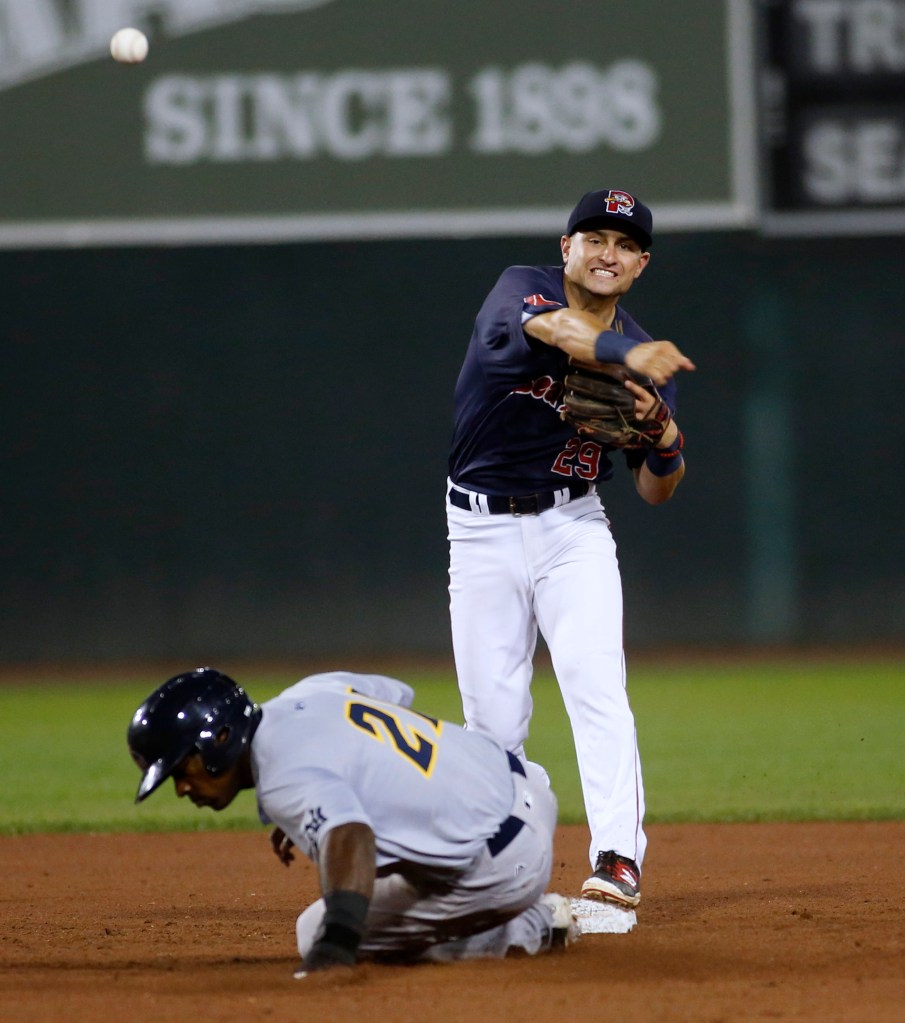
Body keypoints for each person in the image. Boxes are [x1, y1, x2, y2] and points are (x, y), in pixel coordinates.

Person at [446, 188, 695, 911]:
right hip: (480, 527)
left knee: (597, 690)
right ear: (566, 249)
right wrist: (625, 354)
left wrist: (665, 440)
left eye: (622, 244)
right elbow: (561, 334)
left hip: (571, 529)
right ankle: (501, 861)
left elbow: (655, 489)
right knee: (492, 722)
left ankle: (617, 857)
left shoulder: (641, 358)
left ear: (639, 264)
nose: (606, 252)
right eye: (593, 238)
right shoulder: (519, 291)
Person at [127, 666, 578, 975]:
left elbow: (350, 834)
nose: (182, 788)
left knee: (313, 931)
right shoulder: (307, 692)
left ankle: (529, 927)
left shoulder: (284, 778)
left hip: (506, 864)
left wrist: (336, 945)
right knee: (399, 836)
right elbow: (395, 695)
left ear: (221, 738)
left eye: (180, 770)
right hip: (523, 784)